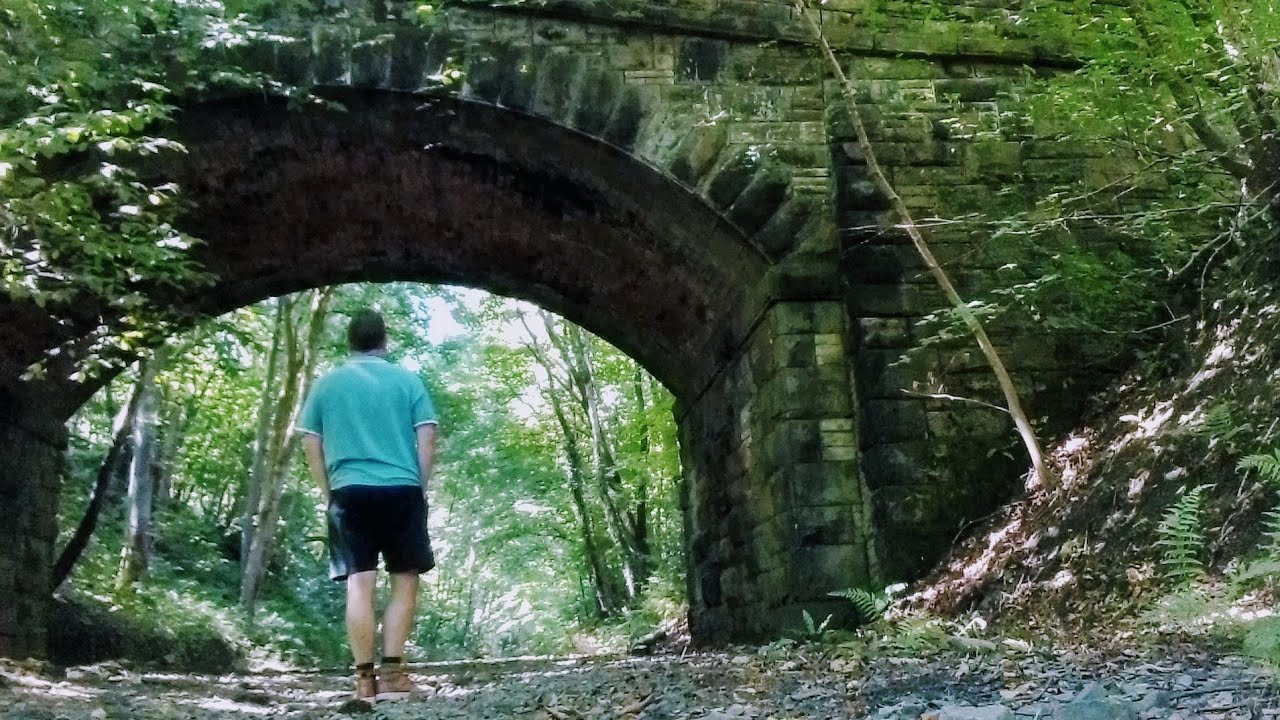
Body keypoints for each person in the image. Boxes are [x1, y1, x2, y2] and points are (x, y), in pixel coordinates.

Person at [296, 309, 438, 704]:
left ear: (349, 342)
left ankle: (363, 683)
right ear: (385, 340)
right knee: (405, 579)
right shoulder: (408, 380)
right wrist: (419, 486)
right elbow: (427, 436)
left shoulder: (328, 384)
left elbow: (311, 441)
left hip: (348, 491)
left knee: (360, 584)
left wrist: (328, 491)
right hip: (401, 491)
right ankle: (393, 676)